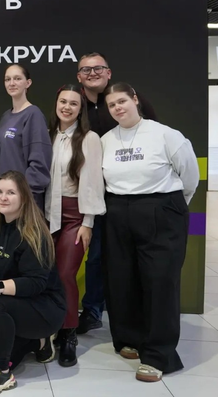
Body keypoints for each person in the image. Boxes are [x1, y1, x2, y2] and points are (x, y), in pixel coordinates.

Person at [100, 83, 198, 383]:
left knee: (159, 282)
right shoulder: (105, 140)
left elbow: (190, 178)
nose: (117, 108)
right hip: (117, 212)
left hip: (161, 210)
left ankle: (158, 355)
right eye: (112, 105)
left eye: (122, 101)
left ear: (135, 100)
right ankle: (129, 339)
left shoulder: (165, 134)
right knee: (122, 279)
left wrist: (168, 208)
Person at [75, 53, 157, 335]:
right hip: (92, 195)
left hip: (129, 196)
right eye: (86, 70)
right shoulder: (75, 105)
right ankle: (92, 310)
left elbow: (153, 135)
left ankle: (136, 312)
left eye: (98, 68)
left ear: (109, 72)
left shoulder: (129, 99)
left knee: (130, 258)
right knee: (96, 257)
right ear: (79, 76)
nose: (92, 73)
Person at [0, 171, 65, 396]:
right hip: (15, 305)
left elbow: (35, 284)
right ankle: (38, 343)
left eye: (11, 193)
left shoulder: (34, 233)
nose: (3, 197)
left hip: (44, 308)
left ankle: (2, 374)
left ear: (23, 196)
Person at [45, 85, 105, 367]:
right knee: (46, 274)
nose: (67, 107)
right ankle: (49, 327)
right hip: (47, 215)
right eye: (63, 102)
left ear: (81, 110)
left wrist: (88, 222)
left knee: (65, 273)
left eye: (73, 103)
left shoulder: (89, 138)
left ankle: (68, 334)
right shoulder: (47, 135)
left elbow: (93, 181)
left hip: (74, 216)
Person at [0, 64, 52, 211]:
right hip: (5, 199)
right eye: (7, 79)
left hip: (25, 199)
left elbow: (39, 162)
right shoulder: (5, 116)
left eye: (17, 78)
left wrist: (24, 193)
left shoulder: (33, 114)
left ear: (28, 83)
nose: (12, 83)